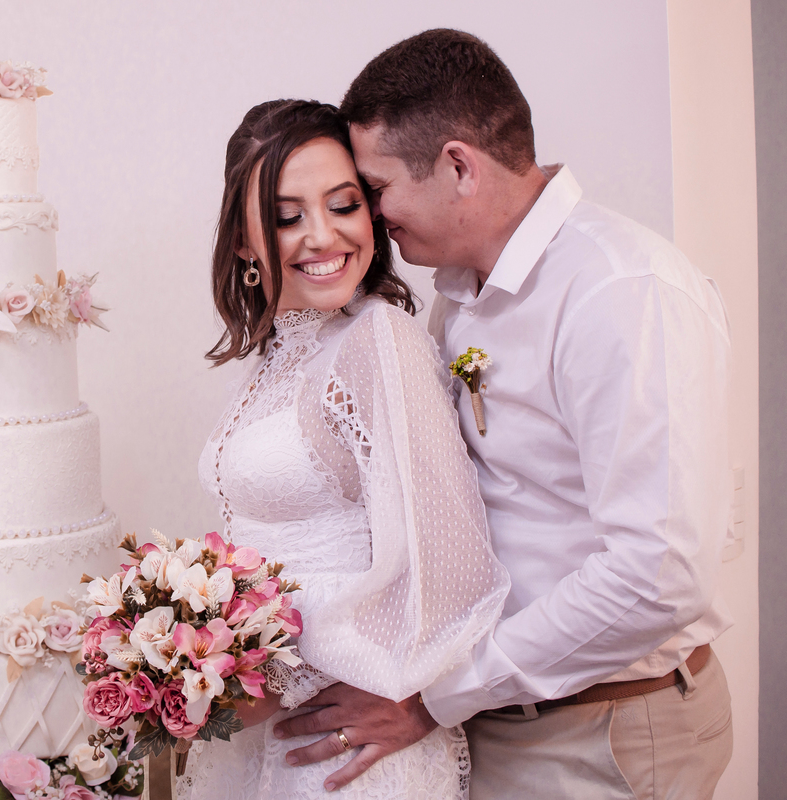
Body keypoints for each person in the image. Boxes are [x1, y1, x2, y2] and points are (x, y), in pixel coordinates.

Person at [273, 29, 735, 799]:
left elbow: (657, 576)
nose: (373, 217)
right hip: (495, 713)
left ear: (458, 166)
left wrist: (434, 698)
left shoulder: (622, 293)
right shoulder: (459, 294)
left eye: (376, 188)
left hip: (604, 727)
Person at [175, 99, 509, 800]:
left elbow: (447, 568)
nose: (322, 236)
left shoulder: (379, 338)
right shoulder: (278, 353)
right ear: (243, 241)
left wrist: (268, 677)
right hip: (273, 726)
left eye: (344, 205)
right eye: (287, 216)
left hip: (349, 736)